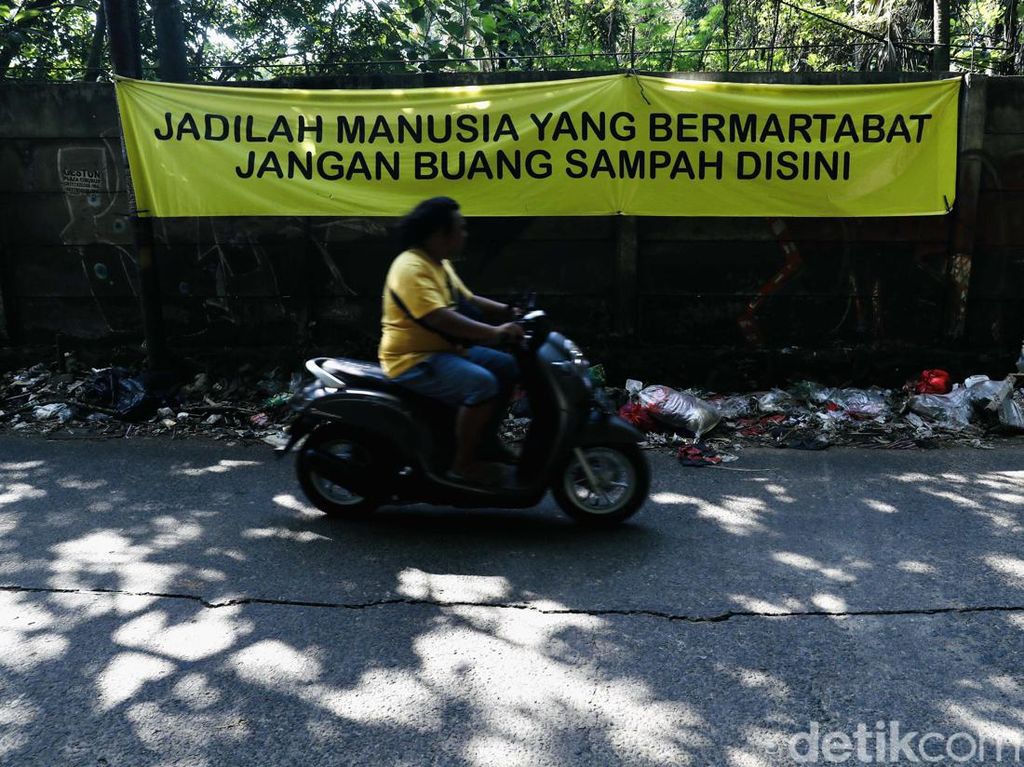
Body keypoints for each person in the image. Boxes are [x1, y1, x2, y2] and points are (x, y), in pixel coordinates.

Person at [379, 197, 525, 486]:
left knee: (507, 366)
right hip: (414, 359)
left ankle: (484, 443)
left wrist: (510, 311)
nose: (465, 234)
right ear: (439, 234)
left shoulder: (438, 263)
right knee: (483, 384)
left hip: (444, 351)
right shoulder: (411, 268)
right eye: (460, 228)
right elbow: (440, 318)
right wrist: (495, 332)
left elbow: (467, 299)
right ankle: (463, 465)